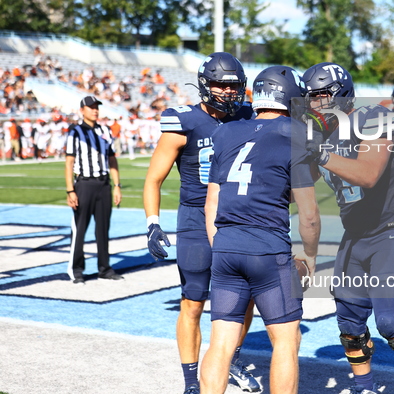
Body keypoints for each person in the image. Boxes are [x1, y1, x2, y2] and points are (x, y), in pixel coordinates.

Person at [303, 62, 394, 394]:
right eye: (310, 97)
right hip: (356, 235)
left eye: (322, 96)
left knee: (392, 322)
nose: (314, 104)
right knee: (349, 323)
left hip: (393, 230)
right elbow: (300, 184)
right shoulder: (318, 132)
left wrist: (318, 153)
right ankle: (363, 387)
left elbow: (367, 174)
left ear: (341, 94)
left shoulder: (374, 118)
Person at [143, 52, 260, 394]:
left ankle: (230, 358)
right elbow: (154, 179)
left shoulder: (249, 115)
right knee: (193, 302)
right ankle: (191, 380)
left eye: (234, 86)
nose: (228, 92)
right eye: (221, 86)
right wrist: (153, 222)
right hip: (196, 218)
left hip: (239, 218)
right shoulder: (183, 122)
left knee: (247, 297)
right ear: (205, 85)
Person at [201, 65, 320, 394]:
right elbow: (308, 214)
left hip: (226, 247)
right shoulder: (295, 133)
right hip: (267, 251)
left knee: (221, 344)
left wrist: (222, 245)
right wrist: (310, 256)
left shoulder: (226, 131)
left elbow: (212, 203)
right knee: (285, 341)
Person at [65, 95, 123, 284]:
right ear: (82, 110)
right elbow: (69, 163)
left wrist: (117, 185)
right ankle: (76, 270)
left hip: (103, 184)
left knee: (103, 229)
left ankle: (104, 268)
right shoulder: (75, 132)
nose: (95, 110)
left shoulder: (105, 130)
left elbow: (112, 159)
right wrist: (70, 190)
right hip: (84, 184)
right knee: (80, 229)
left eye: (97, 107)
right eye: (91, 107)